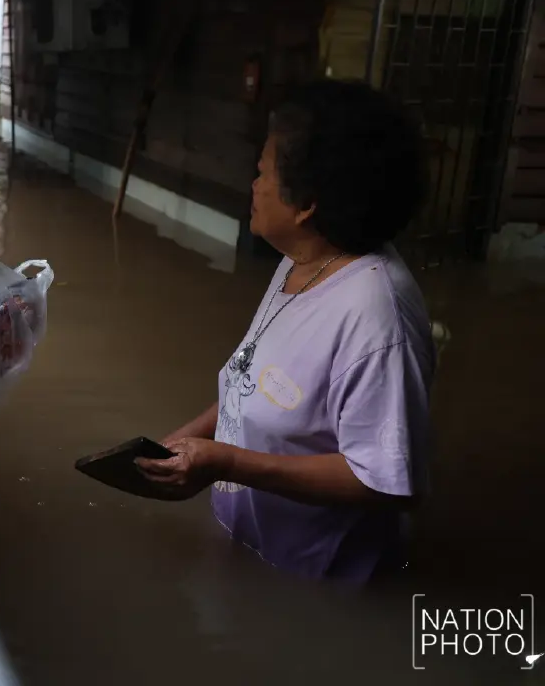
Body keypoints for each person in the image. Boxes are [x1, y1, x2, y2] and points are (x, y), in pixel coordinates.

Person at [137, 79, 435, 584]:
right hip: (250, 553)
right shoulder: (305, 259)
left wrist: (226, 461)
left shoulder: (376, 319)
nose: (253, 185)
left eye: (262, 173)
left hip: (318, 579)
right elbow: (254, 375)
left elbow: (386, 482)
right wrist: (185, 441)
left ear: (306, 205)